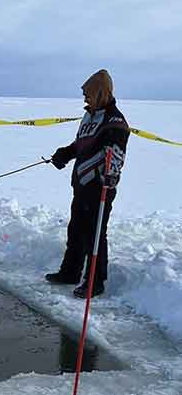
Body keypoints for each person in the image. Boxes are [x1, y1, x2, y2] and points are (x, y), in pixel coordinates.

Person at [46, 68, 129, 298]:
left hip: (99, 188)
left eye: (88, 94)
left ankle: (95, 282)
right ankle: (70, 272)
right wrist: (65, 153)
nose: (84, 99)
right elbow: (81, 146)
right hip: (81, 184)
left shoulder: (115, 122)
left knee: (95, 234)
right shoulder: (90, 116)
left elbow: (115, 156)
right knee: (76, 230)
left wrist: (109, 175)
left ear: (100, 93)